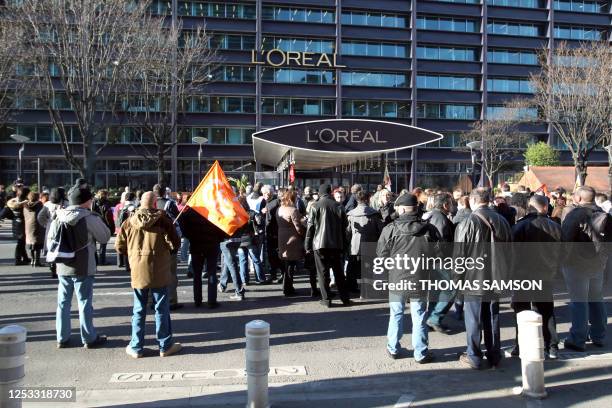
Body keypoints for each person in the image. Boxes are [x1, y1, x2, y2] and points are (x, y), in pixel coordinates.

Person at [115, 191, 182, 358]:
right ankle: (165, 345)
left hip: (138, 269)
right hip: (159, 268)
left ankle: (136, 347)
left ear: (140, 203)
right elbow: (175, 244)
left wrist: (132, 253)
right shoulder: (164, 220)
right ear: (154, 204)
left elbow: (119, 247)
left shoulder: (129, 221)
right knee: (162, 309)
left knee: (138, 309)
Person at [377, 193, 439, 364]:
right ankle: (420, 352)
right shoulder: (429, 229)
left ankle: (393, 348)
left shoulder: (390, 229)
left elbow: (381, 255)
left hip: (397, 278)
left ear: (402, 209)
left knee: (396, 313)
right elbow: (439, 254)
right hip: (420, 278)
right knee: (419, 315)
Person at [454, 187, 512, 369]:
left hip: (473, 277)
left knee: (473, 318)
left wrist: (457, 280)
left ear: (472, 201)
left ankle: (474, 355)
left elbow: (459, 255)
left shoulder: (467, 221)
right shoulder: (502, 220)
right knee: (492, 316)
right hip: (496, 276)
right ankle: (494, 355)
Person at [50, 184, 111, 349]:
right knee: (84, 302)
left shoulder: (58, 216)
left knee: (63, 303)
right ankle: (88, 337)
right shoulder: (89, 218)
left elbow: (50, 240)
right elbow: (105, 237)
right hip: (84, 265)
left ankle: (62, 337)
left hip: (63, 264)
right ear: (86, 201)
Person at [510, 195, 561, 359]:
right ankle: (552, 346)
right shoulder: (555, 226)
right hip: (546, 274)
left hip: (522, 275)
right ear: (545, 207)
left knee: (522, 311)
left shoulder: (519, 226)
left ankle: (521, 345)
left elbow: (511, 252)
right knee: (547, 311)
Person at [561, 186, 608, 351]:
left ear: (579, 198)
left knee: (578, 301)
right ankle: (599, 335)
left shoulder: (575, 214)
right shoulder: (604, 214)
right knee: (596, 299)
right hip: (598, 263)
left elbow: (565, 239)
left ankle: (578, 338)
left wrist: (562, 261)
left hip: (577, 264)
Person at [305, 184, 351, 307]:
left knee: (322, 273)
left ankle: (326, 299)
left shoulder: (315, 206)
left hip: (319, 244)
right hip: (336, 244)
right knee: (339, 272)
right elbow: (345, 227)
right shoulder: (338, 206)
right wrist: (345, 244)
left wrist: (307, 246)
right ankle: (345, 298)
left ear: (319, 193)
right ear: (330, 192)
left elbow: (310, 228)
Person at [179, 207, 227, 308]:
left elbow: (183, 225)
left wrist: (190, 236)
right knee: (211, 273)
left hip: (197, 245)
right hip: (211, 245)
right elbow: (222, 226)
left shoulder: (191, 211)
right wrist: (219, 238)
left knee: (197, 274)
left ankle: (197, 300)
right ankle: (211, 300)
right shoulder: (215, 209)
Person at [425, 193, 455, 334]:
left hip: (435, 260)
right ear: (445, 205)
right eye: (451, 203)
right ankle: (434, 318)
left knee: (437, 292)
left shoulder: (433, 215)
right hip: (441, 261)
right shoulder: (439, 218)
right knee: (450, 289)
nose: (452, 206)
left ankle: (431, 319)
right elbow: (441, 242)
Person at [346, 190, 383, 293]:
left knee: (352, 266)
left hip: (354, 245)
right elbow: (381, 230)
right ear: (367, 199)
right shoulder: (374, 214)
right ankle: (366, 288)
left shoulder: (351, 214)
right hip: (370, 244)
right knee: (368, 267)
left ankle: (351, 286)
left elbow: (348, 232)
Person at [152, 184, 182, 310]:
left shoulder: (147, 206)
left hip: (152, 245)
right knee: (170, 273)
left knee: (152, 273)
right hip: (168, 244)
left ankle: (151, 300)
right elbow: (178, 222)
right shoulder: (169, 204)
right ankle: (171, 301)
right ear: (164, 192)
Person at [276, 190, 305, 296]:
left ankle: (287, 286)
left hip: (282, 237)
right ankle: (288, 288)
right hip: (292, 239)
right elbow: (298, 228)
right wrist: (304, 232)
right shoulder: (293, 210)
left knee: (286, 263)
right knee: (291, 265)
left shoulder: (279, 209)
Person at [38, 187, 68, 278]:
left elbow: (40, 217)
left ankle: (52, 268)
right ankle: (61, 268)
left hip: (50, 227)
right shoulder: (67, 204)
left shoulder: (47, 204)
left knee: (51, 247)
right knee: (61, 247)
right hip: (63, 227)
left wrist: (46, 224)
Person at [3, 186, 30, 265]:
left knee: (21, 242)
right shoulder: (25, 203)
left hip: (16, 223)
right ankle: (17, 259)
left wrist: (13, 217)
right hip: (22, 224)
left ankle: (25, 257)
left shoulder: (12, 202)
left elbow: (4, 213)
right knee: (20, 242)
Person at [23, 191, 45, 267]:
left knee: (31, 243)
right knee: (37, 244)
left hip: (28, 226)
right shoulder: (39, 205)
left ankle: (32, 260)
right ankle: (37, 261)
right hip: (38, 226)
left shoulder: (25, 206)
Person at [92, 190, 114, 265]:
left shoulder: (93, 202)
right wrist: (111, 227)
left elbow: (91, 212)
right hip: (104, 224)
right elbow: (109, 216)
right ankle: (102, 260)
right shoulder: (107, 203)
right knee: (103, 243)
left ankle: (95, 260)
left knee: (93, 243)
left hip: (94, 223)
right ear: (106, 195)